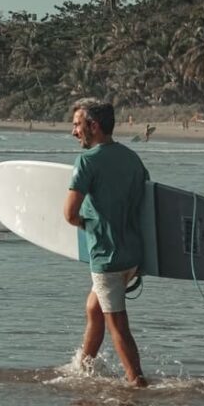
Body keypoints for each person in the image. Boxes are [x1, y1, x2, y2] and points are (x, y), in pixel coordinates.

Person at [63, 98, 149, 388]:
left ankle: (136, 382)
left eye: (77, 125)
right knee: (94, 309)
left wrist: (88, 223)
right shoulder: (132, 158)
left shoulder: (87, 161)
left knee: (117, 325)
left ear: (94, 126)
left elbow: (69, 214)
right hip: (132, 255)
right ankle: (83, 367)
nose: (74, 132)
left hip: (106, 256)